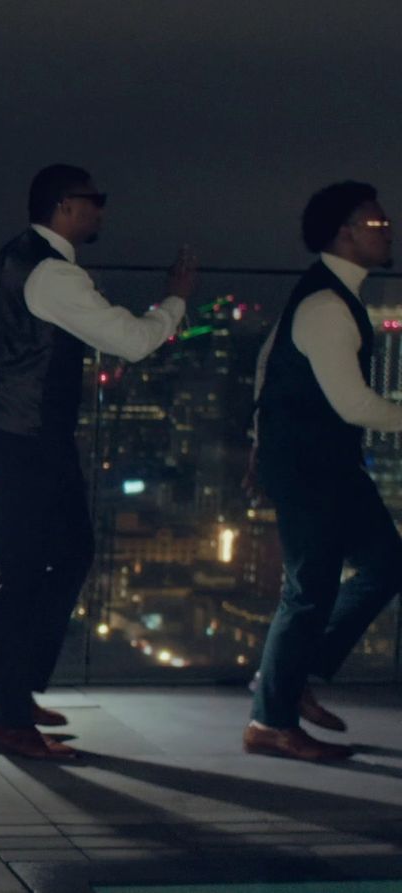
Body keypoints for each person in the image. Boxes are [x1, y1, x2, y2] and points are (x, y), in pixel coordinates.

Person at [0, 163, 194, 759]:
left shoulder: (11, 258)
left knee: (68, 555)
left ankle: (10, 690)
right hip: (27, 438)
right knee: (24, 574)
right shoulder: (54, 275)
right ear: (67, 206)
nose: (103, 211)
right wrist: (176, 299)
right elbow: (134, 342)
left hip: (14, 430)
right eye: (97, 200)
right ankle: (9, 720)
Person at [243, 181, 399, 762]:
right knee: (310, 591)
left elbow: (267, 363)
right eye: (377, 226)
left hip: (326, 461)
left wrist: (257, 441)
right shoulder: (328, 305)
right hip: (311, 466)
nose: (388, 233)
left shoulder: (329, 295)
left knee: (386, 564)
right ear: (344, 233)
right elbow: (354, 405)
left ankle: (288, 678)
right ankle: (270, 722)